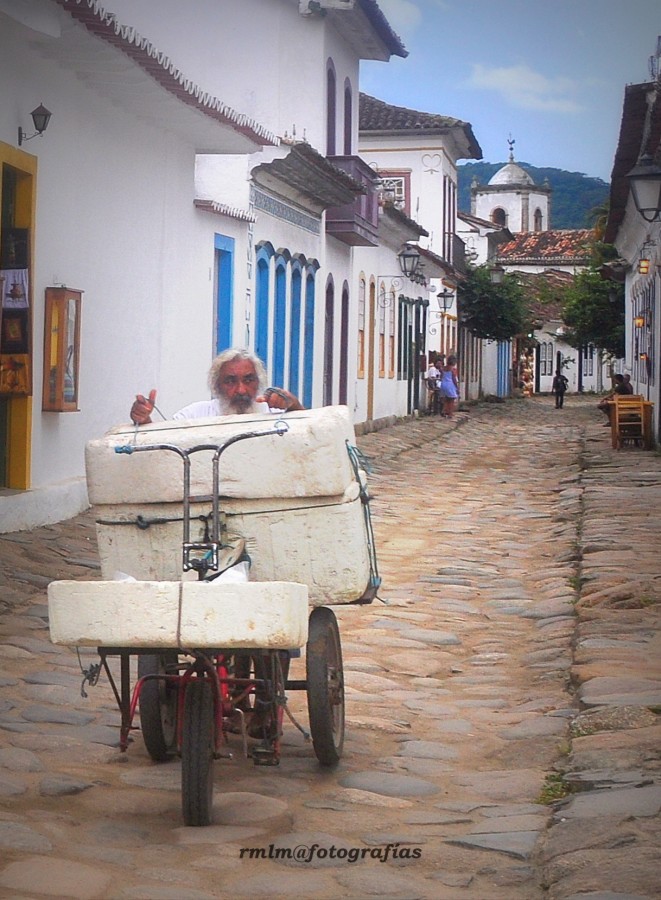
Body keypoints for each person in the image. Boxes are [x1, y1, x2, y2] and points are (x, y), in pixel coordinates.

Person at [130, 347, 303, 424]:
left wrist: (294, 406)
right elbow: (163, 447)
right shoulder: (195, 415)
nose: (241, 390)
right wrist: (144, 419)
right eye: (230, 382)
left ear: (259, 382)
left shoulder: (275, 414)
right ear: (217, 386)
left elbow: (311, 438)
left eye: (248, 380)